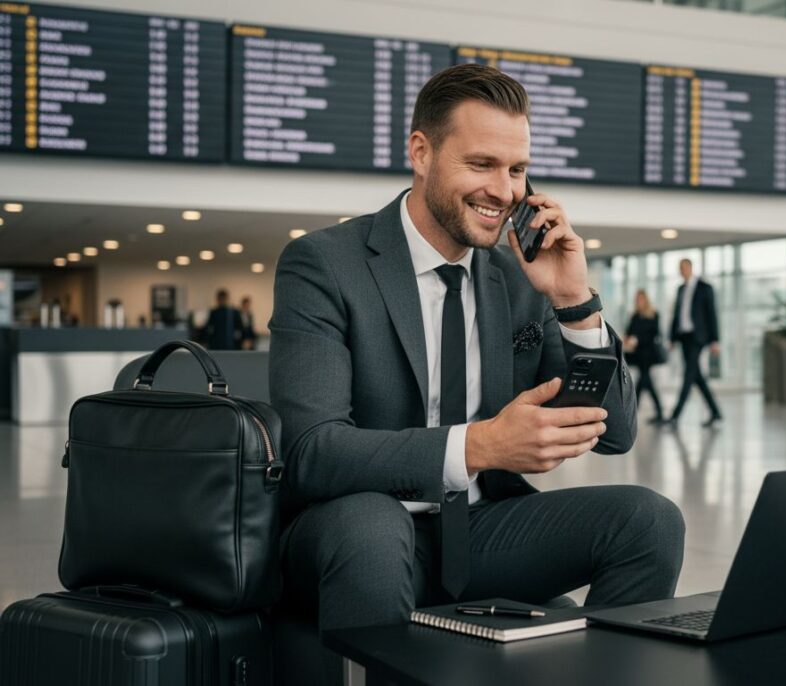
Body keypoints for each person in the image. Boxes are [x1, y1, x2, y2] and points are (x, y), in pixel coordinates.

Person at [269, 63, 684, 632]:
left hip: (480, 528)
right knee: (372, 529)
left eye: (518, 170)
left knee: (649, 520)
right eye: (482, 164)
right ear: (421, 152)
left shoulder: (519, 277)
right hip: (355, 524)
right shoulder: (325, 263)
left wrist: (573, 301)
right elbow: (311, 453)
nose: (505, 191)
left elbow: (615, 433)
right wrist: (479, 445)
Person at [661, 259, 722, 428]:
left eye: (684, 268)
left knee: (688, 375)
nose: (682, 271)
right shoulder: (680, 289)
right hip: (684, 337)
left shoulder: (705, 288)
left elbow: (712, 314)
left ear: (691, 268)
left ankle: (675, 415)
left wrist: (715, 340)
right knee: (697, 377)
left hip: (698, 337)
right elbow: (676, 315)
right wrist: (672, 338)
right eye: (680, 268)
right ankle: (716, 413)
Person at [624, 289, 666, 423]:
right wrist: (628, 339)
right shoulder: (635, 316)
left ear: (646, 300)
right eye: (637, 299)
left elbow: (655, 335)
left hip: (648, 354)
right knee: (645, 382)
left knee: (643, 381)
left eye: (641, 299)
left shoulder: (654, 315)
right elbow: (629, 332)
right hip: (638, 355)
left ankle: (633, 412)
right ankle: (657, 412)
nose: (639, 302)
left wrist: (638, 339)